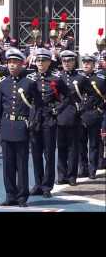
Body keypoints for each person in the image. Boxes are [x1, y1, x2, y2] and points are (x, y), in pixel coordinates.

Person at [0, 48, 40, 207]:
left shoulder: (29, 83)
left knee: (21, 165)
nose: (12, 65)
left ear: (22, 64)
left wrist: (32, 123)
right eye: (10, 62)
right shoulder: (3, 83)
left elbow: (36, 106)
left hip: (22, 126)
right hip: (7, 126)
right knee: (8, 165)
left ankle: (22, 197)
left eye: (15, 62)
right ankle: (10, 195)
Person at [28, 48, 69, 198]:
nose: (40, 63)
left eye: (43, 61)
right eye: (38, 60)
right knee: (36, 153)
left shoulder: (56, 78)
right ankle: (38, 184)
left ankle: (47, 186)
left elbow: (68, 96)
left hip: (49, 119)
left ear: (49, 62)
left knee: (49, 153)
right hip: (35, 119)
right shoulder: (30, 78)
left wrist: (57, 109)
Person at [56, 50, 88, 186]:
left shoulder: (81, 78)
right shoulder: (57, 77)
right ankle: (61, 175)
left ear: (74, 62)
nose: (67, 63)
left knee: (73, 148)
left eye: (69, 61)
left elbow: (89, 96)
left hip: (75, 117)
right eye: (64, 61)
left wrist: (82, 108)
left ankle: (71, 176)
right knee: (61, 147)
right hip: (59, 116)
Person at [78, 54, 106, 179]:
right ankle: (82, 168)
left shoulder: (100, 79)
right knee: (81, 144)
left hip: (94, 114)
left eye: (88, 63)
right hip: (81, 115)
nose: (85, 65)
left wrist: (100, 110)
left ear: (94, 64)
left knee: (94, 144)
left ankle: (92, 169)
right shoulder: (78, 78)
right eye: (84, 62)